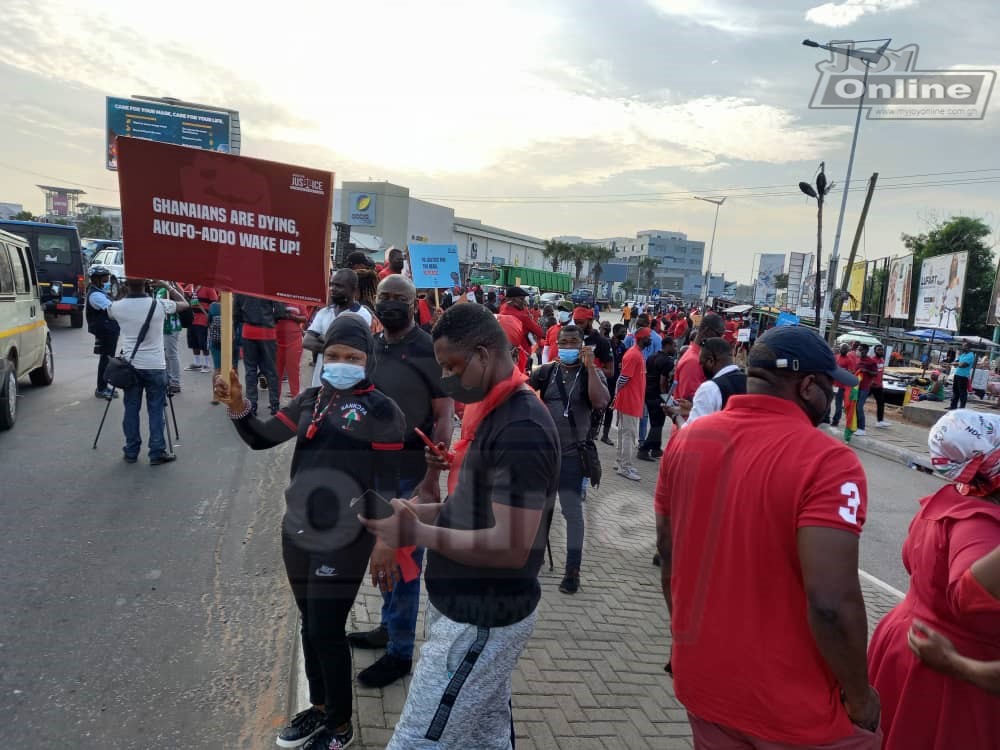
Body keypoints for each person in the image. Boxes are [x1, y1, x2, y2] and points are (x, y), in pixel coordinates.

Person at [655, 325, 881, 748]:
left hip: (705, 683)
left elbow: (669, 558)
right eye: (831, 386)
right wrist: (860, 697)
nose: (832, 397)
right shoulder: (829, 462)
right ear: (809, 386)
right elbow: (831, 604)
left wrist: (683, 640)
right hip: (795, 706)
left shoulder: (686, 443)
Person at [360, 303, 560, 750]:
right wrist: (411, 515)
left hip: (481, 618)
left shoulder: (522, 428)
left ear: (485, 355)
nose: (449, 380)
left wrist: (417, 534)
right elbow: (467, 510)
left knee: (417, 739)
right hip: (464, 611)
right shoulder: (489, 411)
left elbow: (510, 545)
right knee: (485, 736)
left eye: (453, 367)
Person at [214, 313, 405, 750]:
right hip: (297, 530)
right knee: (310, 624)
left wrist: (385, 540)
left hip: (347, 536)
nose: (342, 362)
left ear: (367, 358)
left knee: (326, 629)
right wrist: (237, 406)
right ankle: (319, 708)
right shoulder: (310, 400)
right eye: (334, 355)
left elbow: (387, 485)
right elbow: (261, 438)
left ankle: (340, 727)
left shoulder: (383, 410)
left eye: (352, 356)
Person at [867, 409, 1000, 749]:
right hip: (952, 675)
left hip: (913, 649)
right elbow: (968, 594)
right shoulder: (981, 526)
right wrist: (957, 664)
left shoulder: (956, 500)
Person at [347, 274, 455, 689]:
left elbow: (444, 415)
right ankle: (387, 627)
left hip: (411, 470)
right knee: (385, 557)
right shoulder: (372, 346)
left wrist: (431, 479)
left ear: (415, 304)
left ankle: (400, 651)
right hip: (374, 470)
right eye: (385, 297)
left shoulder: (429, 351)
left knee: (406, 563)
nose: (390, 303)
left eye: (400, 299)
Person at [530, 325, 609, 594]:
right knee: (541, 511)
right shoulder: (547, 372)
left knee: (572, 514)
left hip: (573, 455)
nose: (568, 346)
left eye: (574, 342)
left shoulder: (592, 374)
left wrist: (588, 368)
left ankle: (573, 570)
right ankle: (534, 558)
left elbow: (600, 402)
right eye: (564, 341)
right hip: (545, 456)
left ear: (583, 346)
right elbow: (522, 390)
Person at [108, 279, 190, 465]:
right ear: (146, 284)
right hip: (155, 365)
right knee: (156, 409)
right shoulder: (160, 304)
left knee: (131, 408)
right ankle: (157, 451)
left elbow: (110, 311)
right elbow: (185, 304)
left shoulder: (117, 306)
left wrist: (122, 292)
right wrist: (167, 286)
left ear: (127, 285)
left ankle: (131, 450)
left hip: (130, 365)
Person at [304, 270, 373, 388]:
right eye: (331, 284)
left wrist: (322, 339)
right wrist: (336, 348)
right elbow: (307, 342)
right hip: (319, 383)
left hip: (346, 383)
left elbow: (350, 346)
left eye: (339, 286)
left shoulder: (362, 315)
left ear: (354, 290)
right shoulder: (324, 312)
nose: (333, 289)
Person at [233, 294, 286, 416]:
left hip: (248, 331)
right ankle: (275, 404)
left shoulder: (241, 289)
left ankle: (252, 405)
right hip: (267, 331)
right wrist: (271, 319)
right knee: (271, 371)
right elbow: (280, 311)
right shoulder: (269, 285)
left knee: (250, 370)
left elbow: (236, 313)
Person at [677, 336, 746, 428]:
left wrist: (675, 417)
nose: (701, 367)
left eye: (701, 363)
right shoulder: (749, 381)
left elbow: (692, 431)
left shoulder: (709, 388)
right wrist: (692, 409)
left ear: (711, 361)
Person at [614, 327, 647, 482]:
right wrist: (617, 394)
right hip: (629, 401)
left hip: (629, 400)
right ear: (641, 339)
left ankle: (621, 462)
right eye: (648, 337)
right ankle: (625, 467)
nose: (651, 340)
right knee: (629, 434)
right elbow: (623, 378)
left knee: (624, 433)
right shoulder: (634, 355)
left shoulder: (636, 354)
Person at [673, 312, 725, 404]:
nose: (721, 339)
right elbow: (689, 400)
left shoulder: (697, 356)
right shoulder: (693, 361)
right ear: (707, 331)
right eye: (719, 335)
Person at [637, 337, 676, 461]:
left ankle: (656, 449)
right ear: (667, 345)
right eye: (673, 346)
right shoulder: (667, 362)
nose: (675, 348)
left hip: (648, 392)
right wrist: (665, 397)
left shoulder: (652, 357)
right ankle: (644, 450)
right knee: (657, 424)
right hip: (658, 395)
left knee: (656, 422)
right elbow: (662, 382)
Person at [85, 265, 120, 400]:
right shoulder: (95, 295)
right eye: (104, 278)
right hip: (105, 330)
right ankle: (101, 388)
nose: (107, 281)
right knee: (106, 359)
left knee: (107, 358)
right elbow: (112, 309)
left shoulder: (99, 292)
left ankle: (104, 386)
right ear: (96, 279)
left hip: (108, 329)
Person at [499, 286, 544, 371]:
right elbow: (539, 332)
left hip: (505, 351)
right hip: (522, 353)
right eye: (521, 299)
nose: (524, 302)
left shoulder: (503, 308)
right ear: (512, 300)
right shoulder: (522, 316)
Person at [600, 323, 628, 446]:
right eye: (622, 331)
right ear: (615, 331)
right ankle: (592, 431)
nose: (624, 334)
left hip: (614, 381)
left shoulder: (623, 346)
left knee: (610, 409)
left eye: (625, 332)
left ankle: (605, 435)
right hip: (603, 379)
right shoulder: (606, 343)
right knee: (597, 407)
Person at [155, 283, 183, 396]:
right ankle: (168, 379)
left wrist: (171, 284)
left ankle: (175, 383)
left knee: (171, 355)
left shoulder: (170, 287)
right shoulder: (159, 289)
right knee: (165, 355)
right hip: (162, 326)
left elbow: (181, 296)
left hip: (171, 326)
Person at [185, 285, 217, 372]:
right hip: (191, 319)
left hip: (203, 319)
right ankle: (197, 363)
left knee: (204, 343)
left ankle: (207, 364)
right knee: (193, 342)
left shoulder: (209, 287)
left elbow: (214, 303)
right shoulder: (189, 287)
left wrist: (210, 317)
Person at [830, 343, 860, 427]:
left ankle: (835, 421)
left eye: (845, 349)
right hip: (833, 384)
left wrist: (844, 371)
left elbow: (852, 372)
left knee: (838, 404)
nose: (843, 350)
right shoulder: (836, 357)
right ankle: (825, 418)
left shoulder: (849, 360)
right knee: (828, 401)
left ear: (847, 351)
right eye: (842, 348)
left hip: (841, 386)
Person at [853, 344, 878, 436]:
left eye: (860, 349)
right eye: (858, 349)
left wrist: (866, 371)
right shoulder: (858, 360)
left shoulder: (871, 362)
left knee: (859, 407)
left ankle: (862, 428)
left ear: (866, 351)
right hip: (856, 387)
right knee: (854, 406)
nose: (858, 351)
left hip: (864, 388)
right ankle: (855, 426)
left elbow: (875, 373)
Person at [951, 342, 976, 410]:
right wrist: (957, 363)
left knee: (962, 392)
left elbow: (963, 365)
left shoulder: (971, 355)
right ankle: (953, 406)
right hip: (957, 374)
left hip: (963, 376)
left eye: (964, 346)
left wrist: (957, 363)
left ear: (968, 347)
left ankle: (962, 407)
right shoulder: (963, 354)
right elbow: (955, 362)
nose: (962, 348)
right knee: (955, 391)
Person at [870, 344, 890, 427]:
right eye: (879, 350)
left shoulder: (882, 360)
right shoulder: (872, 361)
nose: (881, 351)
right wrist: (871, 381)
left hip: (879, 386)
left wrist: (881, 383)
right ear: (875, 351)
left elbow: (880, 373)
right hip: (870, 386)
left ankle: (880, 421)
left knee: (881, 403)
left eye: (882, 350)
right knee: (860, 401)